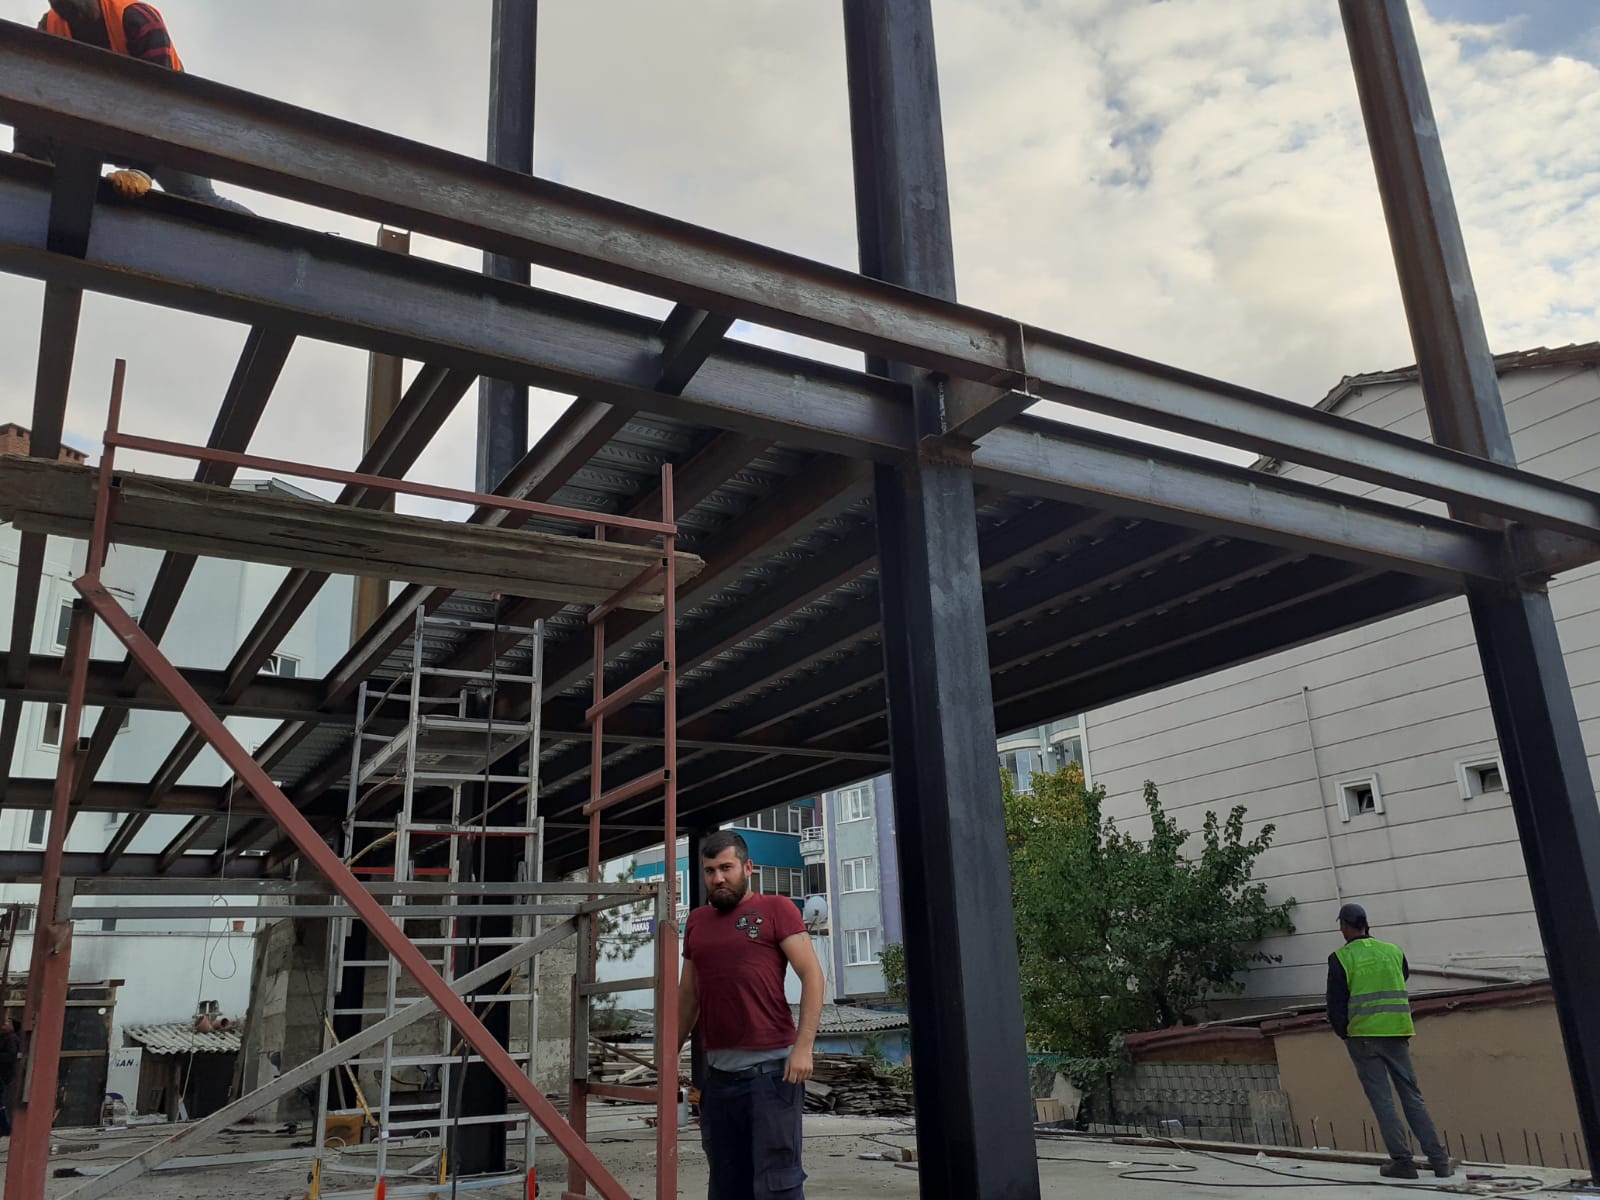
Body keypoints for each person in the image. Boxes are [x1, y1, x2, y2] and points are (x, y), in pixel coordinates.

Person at [678, 831, 825, 1200]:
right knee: (727, 1186)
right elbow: (689, 995)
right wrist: (667, 1056)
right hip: (718, 1081)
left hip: (772, 1078)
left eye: (726, 868)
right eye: (710, 871)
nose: (718, 878)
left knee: (778, 1185)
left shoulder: (777, 909)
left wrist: (804, 1047)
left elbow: (812, 975)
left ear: (748, 868)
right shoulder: (696, 922)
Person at [13, 0, 250, 213]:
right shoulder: (50, 27)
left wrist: (142, 170)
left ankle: (267, 241)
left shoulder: (137, 18)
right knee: (53, 172)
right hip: (102, 126)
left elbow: (164, 102)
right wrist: (27, 154)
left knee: (197, 199)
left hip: (169, 131)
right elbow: (36, 93)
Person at [1327, 903, 1452, 1180]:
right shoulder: (1393, 951)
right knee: (1412, 1097)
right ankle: (1440, 1161)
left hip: (1363, 1038)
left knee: (1383, 1101)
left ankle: (1403, 1162)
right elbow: (1402, 976)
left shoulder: (1341, 958)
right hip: (1397, 1033)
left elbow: (1335, 1004)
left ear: (1345, 926)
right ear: (1366, 924)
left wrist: (1343, 1032)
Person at [0, 1018, 18, 1137]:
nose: (3, 1026)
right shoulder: (4, 1038)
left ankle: (5, 1127)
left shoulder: (12, 1039)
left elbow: (11, 1056)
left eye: (6, 1024)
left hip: (4, 1074)